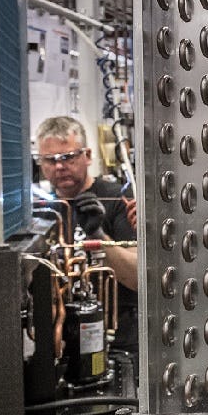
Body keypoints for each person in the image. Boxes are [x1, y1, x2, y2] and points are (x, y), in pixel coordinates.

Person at [34, 115, 138, 354]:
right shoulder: (42, 211)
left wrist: (98, 235)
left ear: (88, 155)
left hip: (119, 343)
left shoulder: (119, 199)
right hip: (63, 344)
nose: (59, 166)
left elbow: (136, 277)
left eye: (68, 157)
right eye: (50, 160)